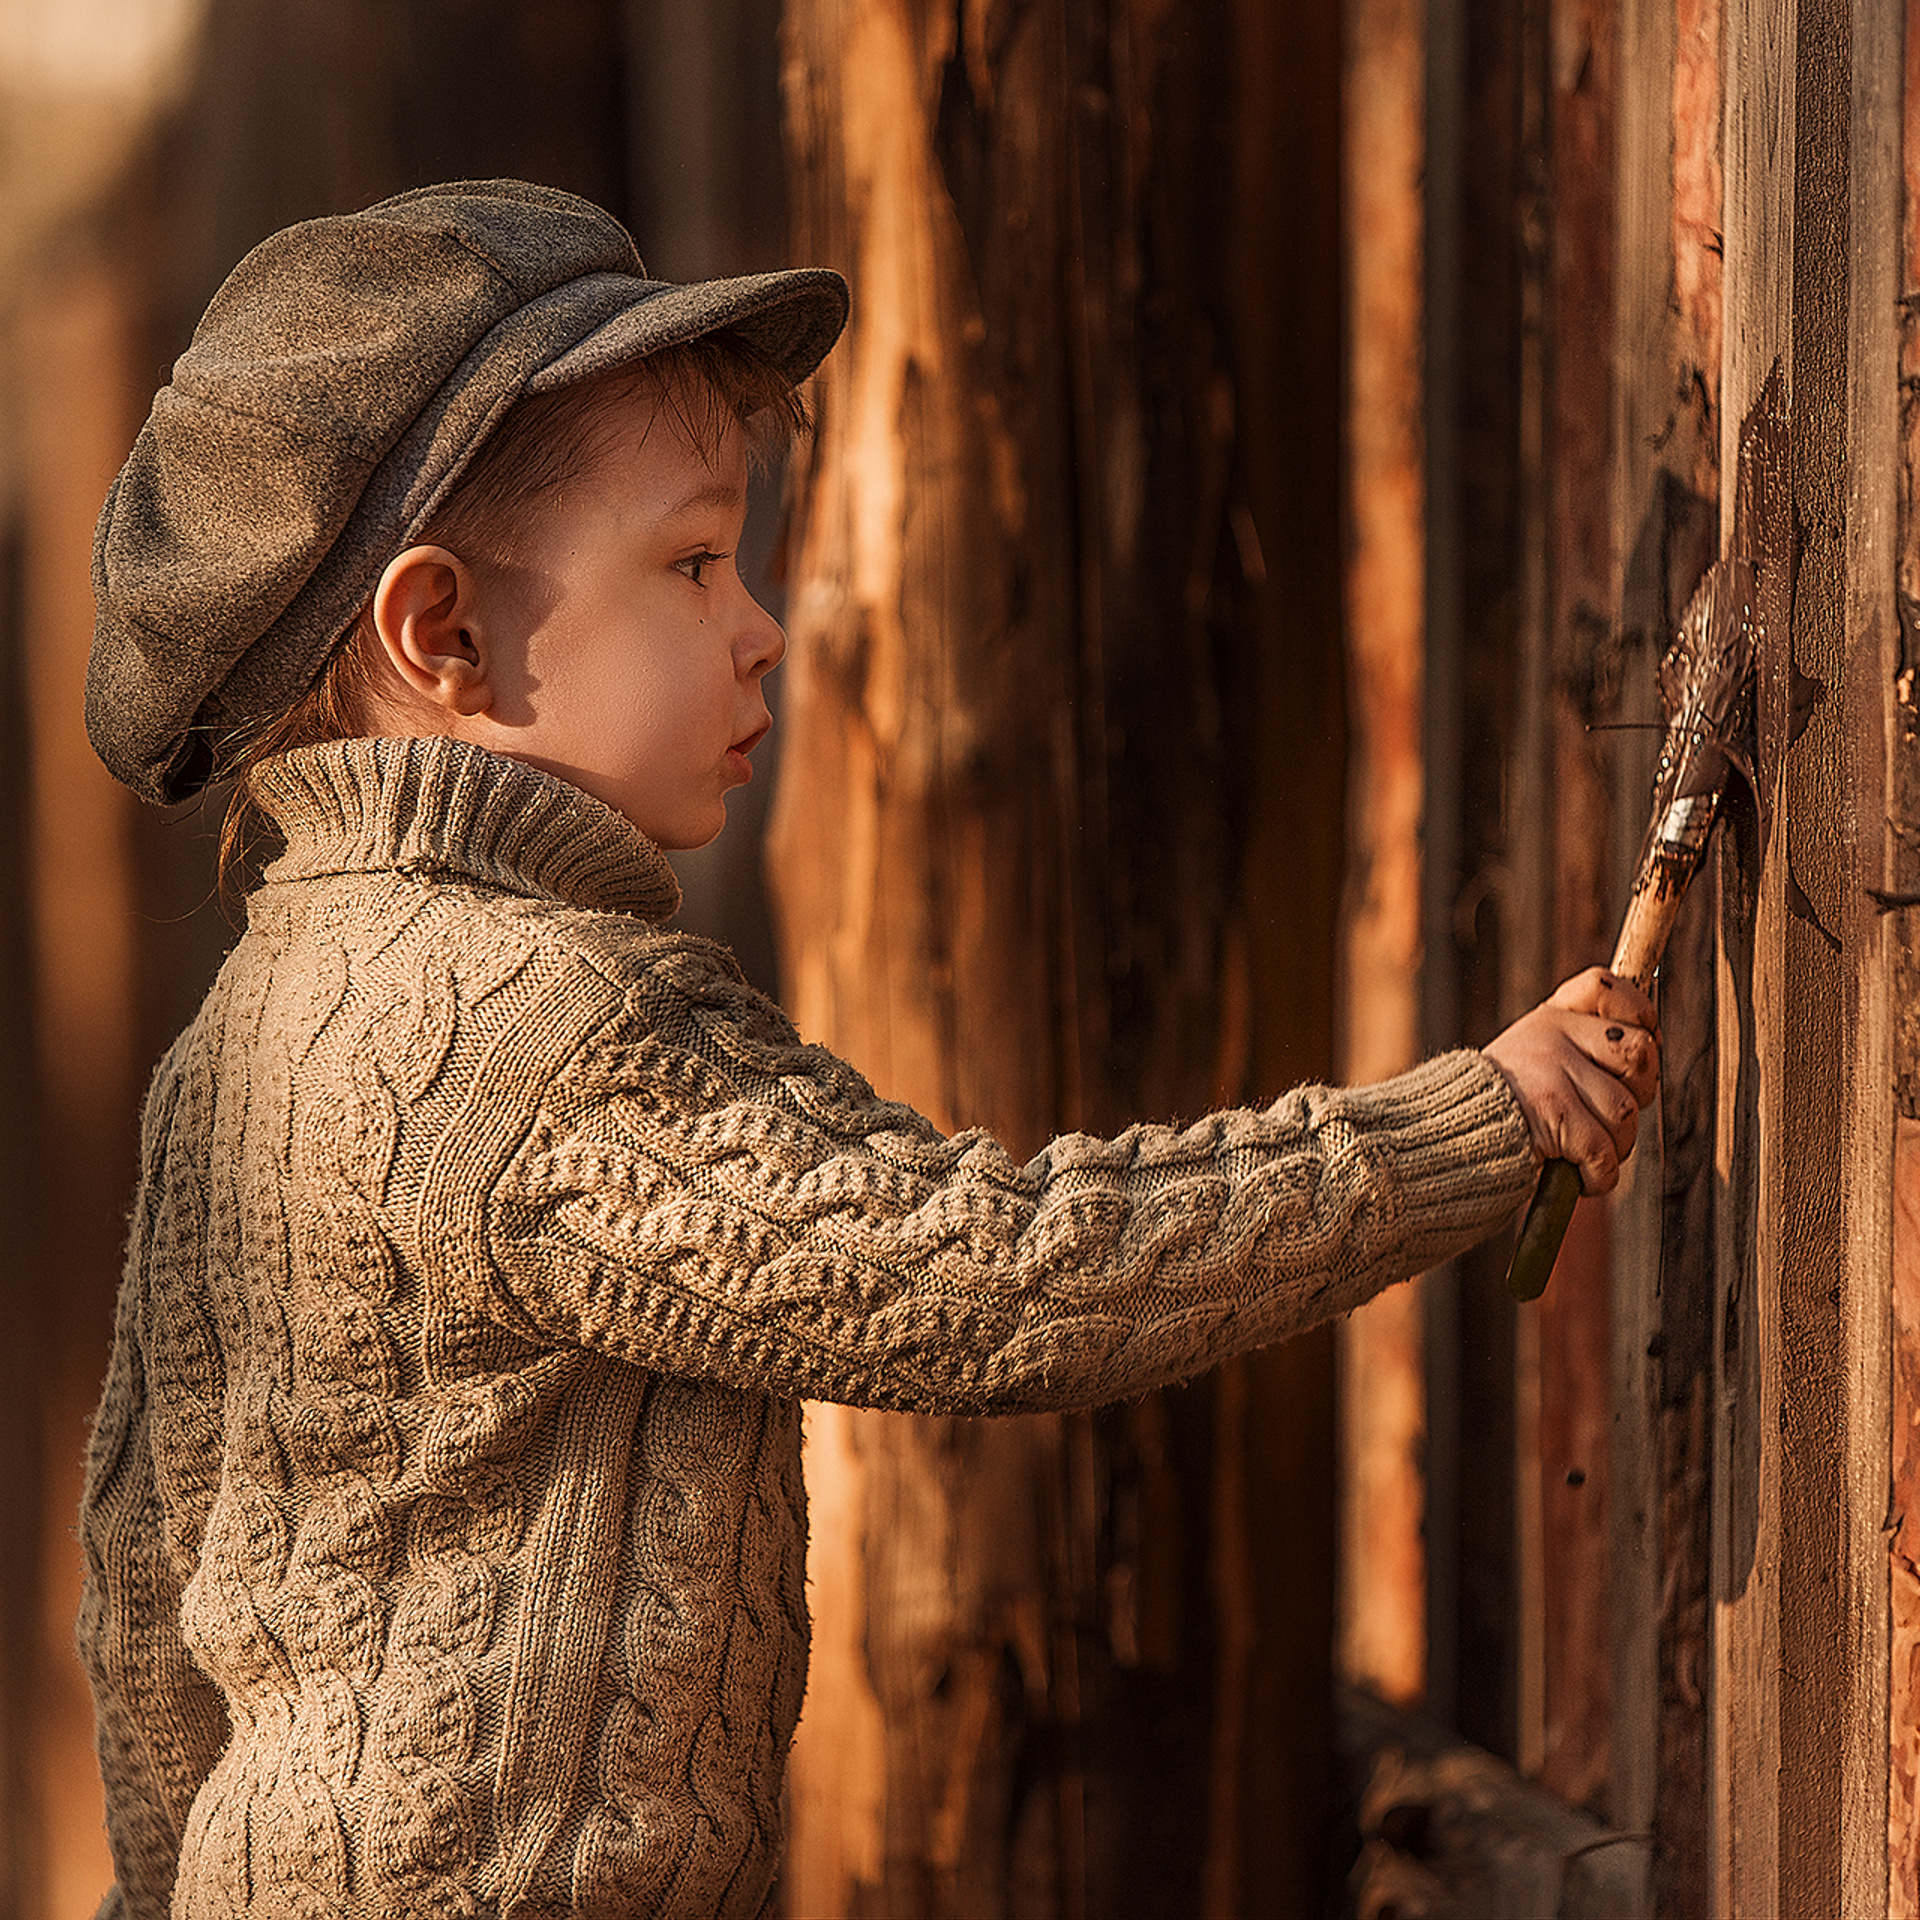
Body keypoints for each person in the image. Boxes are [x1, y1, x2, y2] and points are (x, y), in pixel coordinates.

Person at [75, 180, 1658, 1920]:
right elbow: (993, 1278)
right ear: (439, 634)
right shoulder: (541, 1028)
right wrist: (1467, 1123)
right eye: (689, 563)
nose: (758, 623)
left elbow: (146, 1611)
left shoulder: (234, 1040)